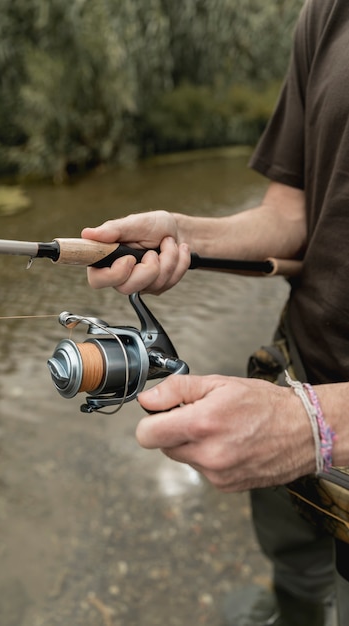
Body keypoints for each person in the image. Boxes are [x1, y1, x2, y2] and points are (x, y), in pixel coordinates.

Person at [81, 1, 349, 624]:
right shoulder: (327, 12)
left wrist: (318, 426)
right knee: (295, 565)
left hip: (310, 415)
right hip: (294, 363)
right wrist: (182, 234)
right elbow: (291, 216)